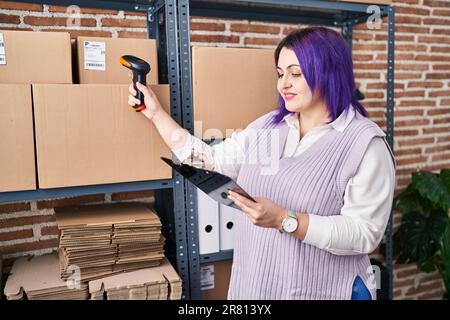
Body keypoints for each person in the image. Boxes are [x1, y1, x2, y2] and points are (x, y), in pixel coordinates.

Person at [128, 26, 396, 300]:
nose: (283, 84)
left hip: (327, 291)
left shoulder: (366, 144)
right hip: (257, 287)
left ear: (328, 71)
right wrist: (156, 113)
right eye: (280, 74)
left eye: (295, 73)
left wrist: (285, 220)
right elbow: (211, 161)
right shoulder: (268, 126)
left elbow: (364, 234)